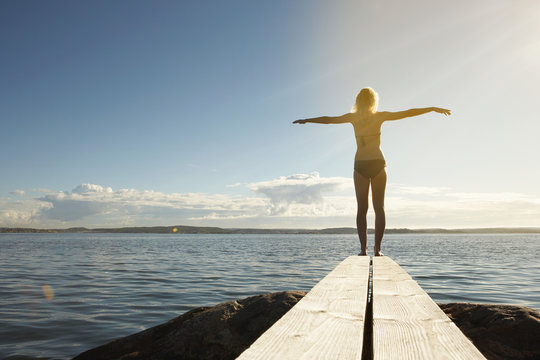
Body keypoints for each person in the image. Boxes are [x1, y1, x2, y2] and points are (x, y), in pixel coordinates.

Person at [293, 87, 450, 256]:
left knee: (363, 208)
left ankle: (365, 249)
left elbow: (329, 119)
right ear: (373, 101)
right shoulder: (377, 116)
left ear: (358, 101)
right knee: (378, 208)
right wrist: (432, 108)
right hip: (375, 163)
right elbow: (407, 113)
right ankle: (376, 249)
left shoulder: (354, 118)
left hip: (362, 163)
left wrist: (307, 119)